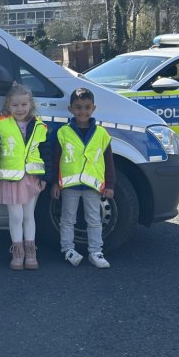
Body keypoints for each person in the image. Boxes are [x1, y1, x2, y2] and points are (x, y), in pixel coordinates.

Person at [50, 87, 114, 269]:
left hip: (92, 186)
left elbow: (108, 161)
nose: (82, 112)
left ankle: (95, 251)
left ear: (93, 108)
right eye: (78, 107)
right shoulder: (63, 132)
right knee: (67, 218)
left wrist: (110, 184)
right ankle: (67, 249)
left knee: (94, 219)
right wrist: (55, 182)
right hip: (69, 186)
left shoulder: (102, 134)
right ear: (71, 109)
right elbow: (56, 160)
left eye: (87, 107)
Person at [0, 84, 51, 271]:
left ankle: (31, 251)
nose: (20, 109)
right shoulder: (1, 124)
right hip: (10, 178)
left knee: (29, 215)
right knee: (16, 216)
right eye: (15, 105)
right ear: (8, 106)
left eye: (23, 104)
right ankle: (17, 251)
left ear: (31, 104)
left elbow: (45, 151)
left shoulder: (39, 125)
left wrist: (45, 176)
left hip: (31, 177)